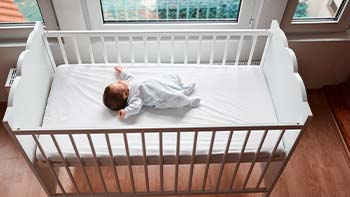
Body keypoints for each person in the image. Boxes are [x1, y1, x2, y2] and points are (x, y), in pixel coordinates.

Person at [103, 66, 200, 118]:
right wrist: (126, 111)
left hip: (158, 83)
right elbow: (136, 108)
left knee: (172, 76)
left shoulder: (129, 82)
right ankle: (189, 102)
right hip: (159, 96)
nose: (119, 81)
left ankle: (183, 88)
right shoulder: (134, 98)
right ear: (125, 94)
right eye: (119, 84)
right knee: (176, 98)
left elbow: (128, 77)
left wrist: (121, 72)